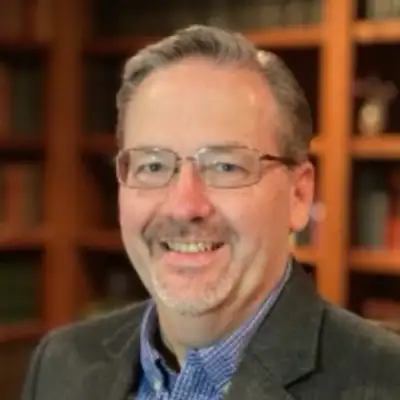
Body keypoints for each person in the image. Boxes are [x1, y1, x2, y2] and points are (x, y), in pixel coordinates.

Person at [22, 25, 400, 400]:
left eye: (225, 167)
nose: (184, 206)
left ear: (299, 196)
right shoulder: (62, 363)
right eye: (153, 166)